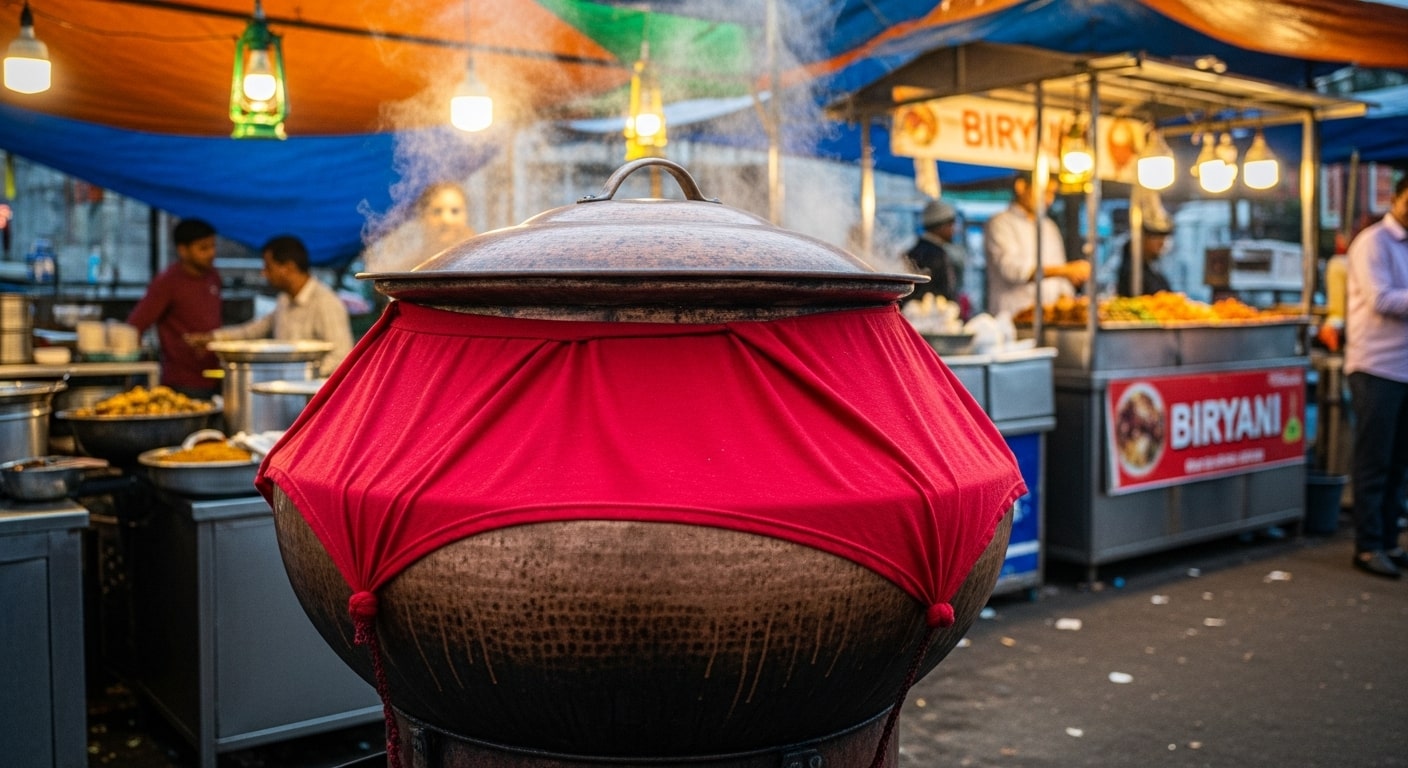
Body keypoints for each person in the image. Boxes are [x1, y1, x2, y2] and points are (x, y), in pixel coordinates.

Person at [1343, 174, 1408, 578]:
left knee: (1399, 463)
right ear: (1397, 198)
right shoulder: (1372, 242)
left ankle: (1388, 540)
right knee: (1374, 461)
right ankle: (1367, 546)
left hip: (1403, 370)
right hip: (1375, 368)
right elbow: (1381, 298)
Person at [187, 235, 354, 377]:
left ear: (288, 268)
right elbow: (254, 331)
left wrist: (302, 378)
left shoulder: (326, 303)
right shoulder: (284, 300)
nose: (264, 273)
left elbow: (342, 357)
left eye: (268, 267)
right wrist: (212, 338)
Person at [125, 217, 223, 398]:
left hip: (215, 376)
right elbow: (135, 325)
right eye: (203, 248)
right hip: (181, 383)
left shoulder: (213, 276)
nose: (211, 253)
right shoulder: (167, 282)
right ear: (183, 250)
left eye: (213, 246)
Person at [984, 171, 1090, 318]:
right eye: (1044, 192)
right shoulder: (1000, 223)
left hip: (1049, 319)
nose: (1049, 200)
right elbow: (1011, 270)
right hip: (1012, 318)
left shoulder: (1049, 227)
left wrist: (1069, 299)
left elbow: (1061, 280)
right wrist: (1065, 271)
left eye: (1052, 194)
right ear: (1021, 187)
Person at [364, 181, 474, 273]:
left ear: (467, 215)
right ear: (422, 216)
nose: (446, 219)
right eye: (437, 211)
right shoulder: (410, 266)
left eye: (455, 211)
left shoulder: (477, 257)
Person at [904, 199, 965, 304]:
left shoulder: (914, 250)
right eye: (951, 225)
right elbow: (946, 294)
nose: (954, 230)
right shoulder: (936, 255)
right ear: (940, 226)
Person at [1116, 218, 1174, 297]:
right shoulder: (1133, 271)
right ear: (1141, 239)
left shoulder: (1150, 266)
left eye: (1163, 238)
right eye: (1155, 237)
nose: (1161, 243)